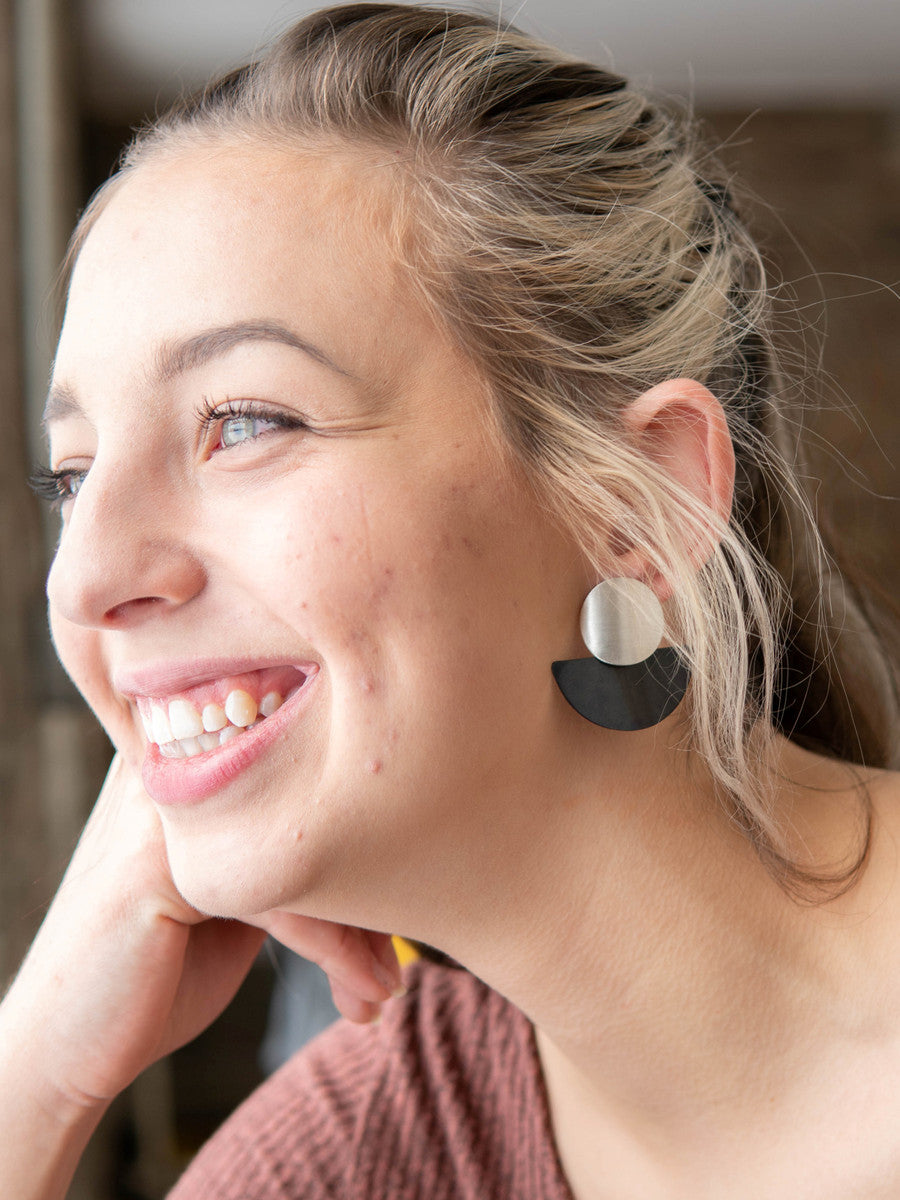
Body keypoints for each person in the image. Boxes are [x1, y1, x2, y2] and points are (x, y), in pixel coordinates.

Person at [2, 4, 898, 1197]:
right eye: (72, 477)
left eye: (247, 422)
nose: (89, 578)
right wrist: (40, 1068)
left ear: (639, 508)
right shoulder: (351, 1159)